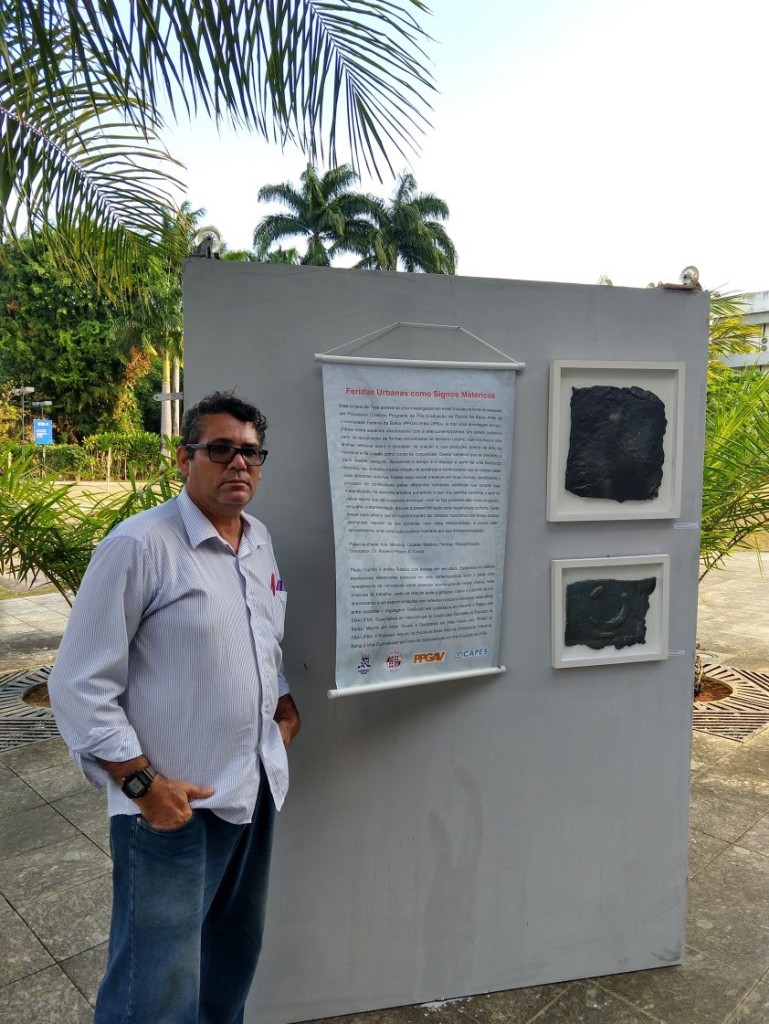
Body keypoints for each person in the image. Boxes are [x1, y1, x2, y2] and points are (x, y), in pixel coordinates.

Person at [49, 390, 300, 1024]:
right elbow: (78, 683)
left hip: (252, 787)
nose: (237, 463)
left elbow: (259, 636)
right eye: (220, 450)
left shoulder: (259, 541)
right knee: (154, 986)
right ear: (184, 459)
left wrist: (282, 700)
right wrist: (143, 785)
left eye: (249, 452)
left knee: (229, 963)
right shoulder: (140, 547)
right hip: (173, 808)